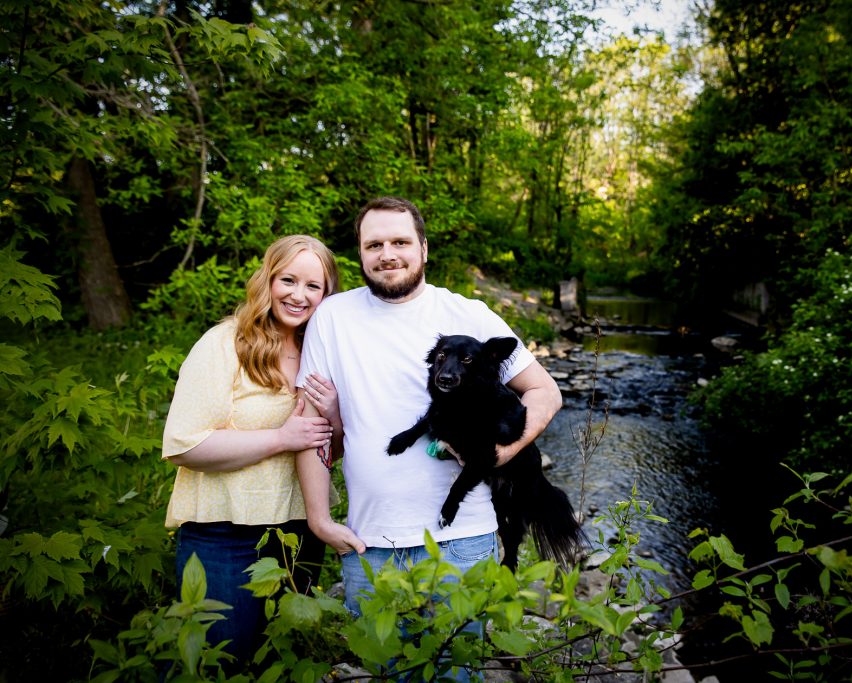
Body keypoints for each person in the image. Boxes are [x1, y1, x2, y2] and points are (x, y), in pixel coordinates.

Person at [294, 196, 563, 669]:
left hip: (463, 543)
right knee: (382, 671)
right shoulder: (331, 318)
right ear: (359, 252)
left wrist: (501, 452)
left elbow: (544, 392)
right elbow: (310, 426)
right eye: (373, 244)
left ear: (423, 248)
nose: (387, 253)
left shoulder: (470, 314)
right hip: (368, 542)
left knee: (456, 674)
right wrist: (319, 519)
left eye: (400, 241)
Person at [162, 234, 343, 666]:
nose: (298, 295)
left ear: (327, 294)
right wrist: (281, 438)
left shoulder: (322, 352)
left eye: (313, 286)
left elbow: (329, 453)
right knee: (219, 662)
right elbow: (184, 444)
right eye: (288, 280)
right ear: (268, 280)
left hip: (298, 533)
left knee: (276, 662)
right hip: (225, 534)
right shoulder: (225, 343)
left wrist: (335, 417)